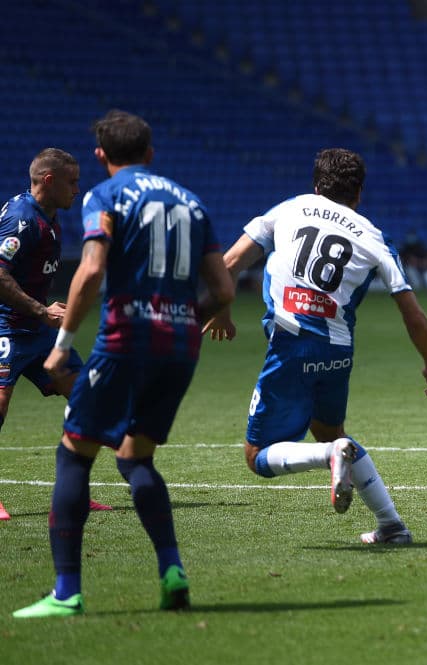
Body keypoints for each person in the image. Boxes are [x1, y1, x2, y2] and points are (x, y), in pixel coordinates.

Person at [13, 110, 234, 618]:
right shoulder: (193, 203)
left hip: (125, 339)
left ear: (99, 156)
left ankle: (66, 592)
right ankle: (172, 570)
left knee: (74, 453)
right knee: (135, 457)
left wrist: (64, 341)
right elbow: (223, 290)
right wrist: (182, 318)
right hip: (180, 349)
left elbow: (91, 270)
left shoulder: (104, 197)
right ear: (151, 153)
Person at [203, 148, 427, 545]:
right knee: (331, 434)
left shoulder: (291, 209)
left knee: (257, 456)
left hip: (290, 345)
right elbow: (412, 312)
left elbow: (228, 264)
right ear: (359, 193)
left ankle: (329, 458)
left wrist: (224, 310)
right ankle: (392, 525)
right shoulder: (374, 237)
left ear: (316, 185)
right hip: (337, 353)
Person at [0, 149, 111, 521]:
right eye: (72, 181)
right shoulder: (20, 219)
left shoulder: (48, 216)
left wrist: (45, 307)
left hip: (39, 329)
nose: (78, 190)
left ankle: (75, 492)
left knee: (85, 398)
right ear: (49, 180)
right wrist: (40, 309)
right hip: (7, 329)